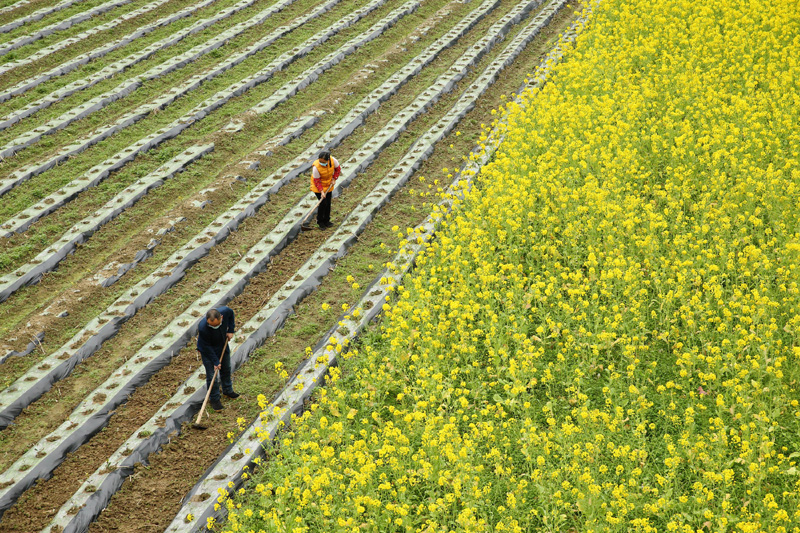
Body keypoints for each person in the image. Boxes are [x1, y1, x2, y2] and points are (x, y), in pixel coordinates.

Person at [197, 306, 239, 411]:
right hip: (208, 351)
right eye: (212, 326)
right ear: (207, 321)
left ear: (221, 317)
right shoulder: (203, 328)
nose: (214, 327)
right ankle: (215, 399)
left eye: (216, 325)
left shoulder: (226, 311)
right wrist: (215, 361)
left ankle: (228, 390)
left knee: (226, 368)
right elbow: (207, 347)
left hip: (222, 344)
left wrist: (231, 329)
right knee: (212, 377)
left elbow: (231, 314)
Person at [310, 150, 341, 229]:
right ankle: (320, 222)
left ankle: (327, 220)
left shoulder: (333, 160)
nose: (321, 163)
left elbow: (338, 169)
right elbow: (316, 181)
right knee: (323, 203)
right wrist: (321, 192)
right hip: (317, 186)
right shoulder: (316, 167)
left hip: (328, 185)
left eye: (323, 162)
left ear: (328, 160)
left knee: (328, 203)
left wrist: (334, 178)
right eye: (320, 161)